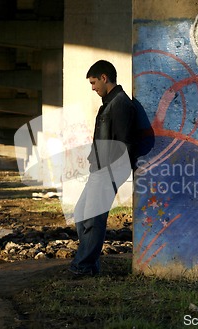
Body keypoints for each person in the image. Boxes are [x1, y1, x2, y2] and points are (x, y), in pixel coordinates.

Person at [68, 60, 136, 276]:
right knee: (81, 214)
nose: (93, 87)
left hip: (107, 171)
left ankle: (84, 267)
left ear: (104, 78)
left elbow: (124, 142)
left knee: (94, 219)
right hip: (98, 170)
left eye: (94, 82)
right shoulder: (109, 103)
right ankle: (90, 264)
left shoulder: (120, 104)